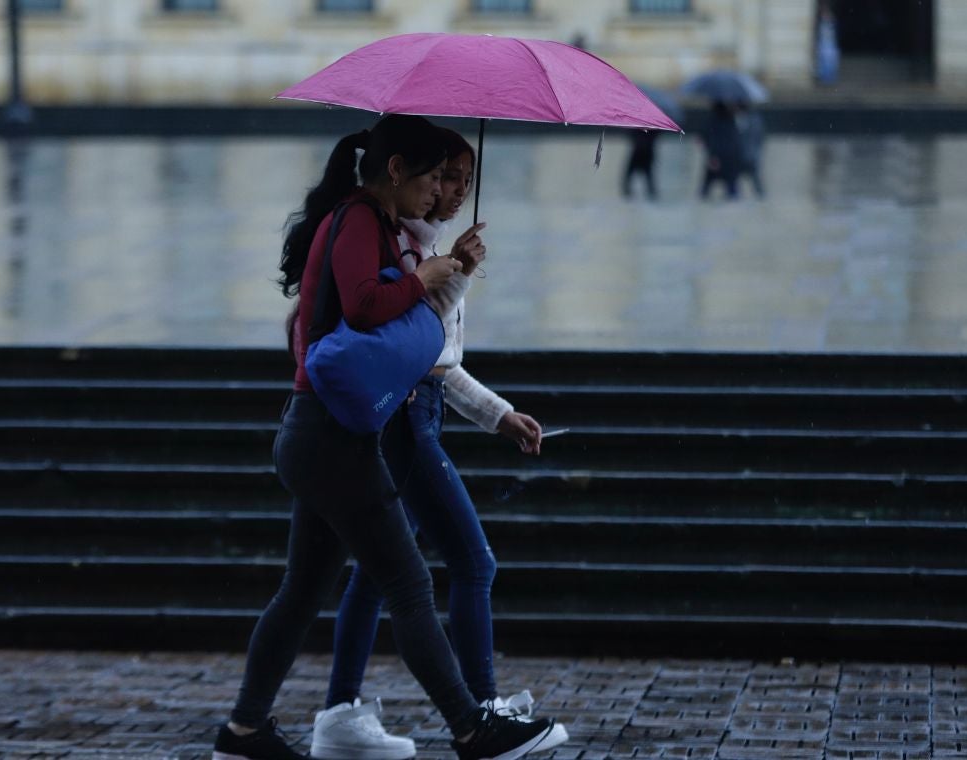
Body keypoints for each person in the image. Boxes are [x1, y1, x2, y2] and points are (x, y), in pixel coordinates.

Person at [212, 114, 558, 760]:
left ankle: (243, 732)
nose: (436, 194)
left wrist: (440, 270)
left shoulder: (378, 225)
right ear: (395, 170)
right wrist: (425, 278)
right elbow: (366, 304)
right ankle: (470, 725)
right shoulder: (359, 219)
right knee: (408, 583)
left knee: (302, 592)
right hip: (330, 440)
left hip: (321, 437)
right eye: (431, 178)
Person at [309, 127, 569, 760]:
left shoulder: (419, 245)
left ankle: (339, 710)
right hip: (405, 419)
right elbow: (420, 349)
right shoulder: (400, 244)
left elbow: (438, 357)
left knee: (376, 573)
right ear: (405, 174)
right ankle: (480, 707)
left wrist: (497, 414)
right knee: (470, 561)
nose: (450, 193)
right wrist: (451, 272)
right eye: (444, 178)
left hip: (415, 412)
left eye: (463, 182)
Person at [700, 102, 742, 200]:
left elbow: (709, 138)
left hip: (716, 157)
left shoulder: (712, 121)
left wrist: (712, 155)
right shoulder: (731, 120)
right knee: (732, 188)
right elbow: (735, 140)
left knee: (706, 188)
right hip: (730, 158)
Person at [736, 104, 765, 198]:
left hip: (743, 155)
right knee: (757, 184)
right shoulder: (756, 119)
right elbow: (760, 138)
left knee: (734, 185)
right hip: (752, 154)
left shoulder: (740, 119)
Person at [622, 129, 659, 200]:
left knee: (648, 177)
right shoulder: (638, 127)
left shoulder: (652, 128)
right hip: (639, 153)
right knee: (629, 177)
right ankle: (628, 195)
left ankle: (652, 195)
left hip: (645, 153)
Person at [816, 4, 840, 86]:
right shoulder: (822, 24)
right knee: (824, 62)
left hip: (829, 45)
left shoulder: (832, 24)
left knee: (831, 61)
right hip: (824, 45)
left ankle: (830, 78)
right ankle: (825, 79)